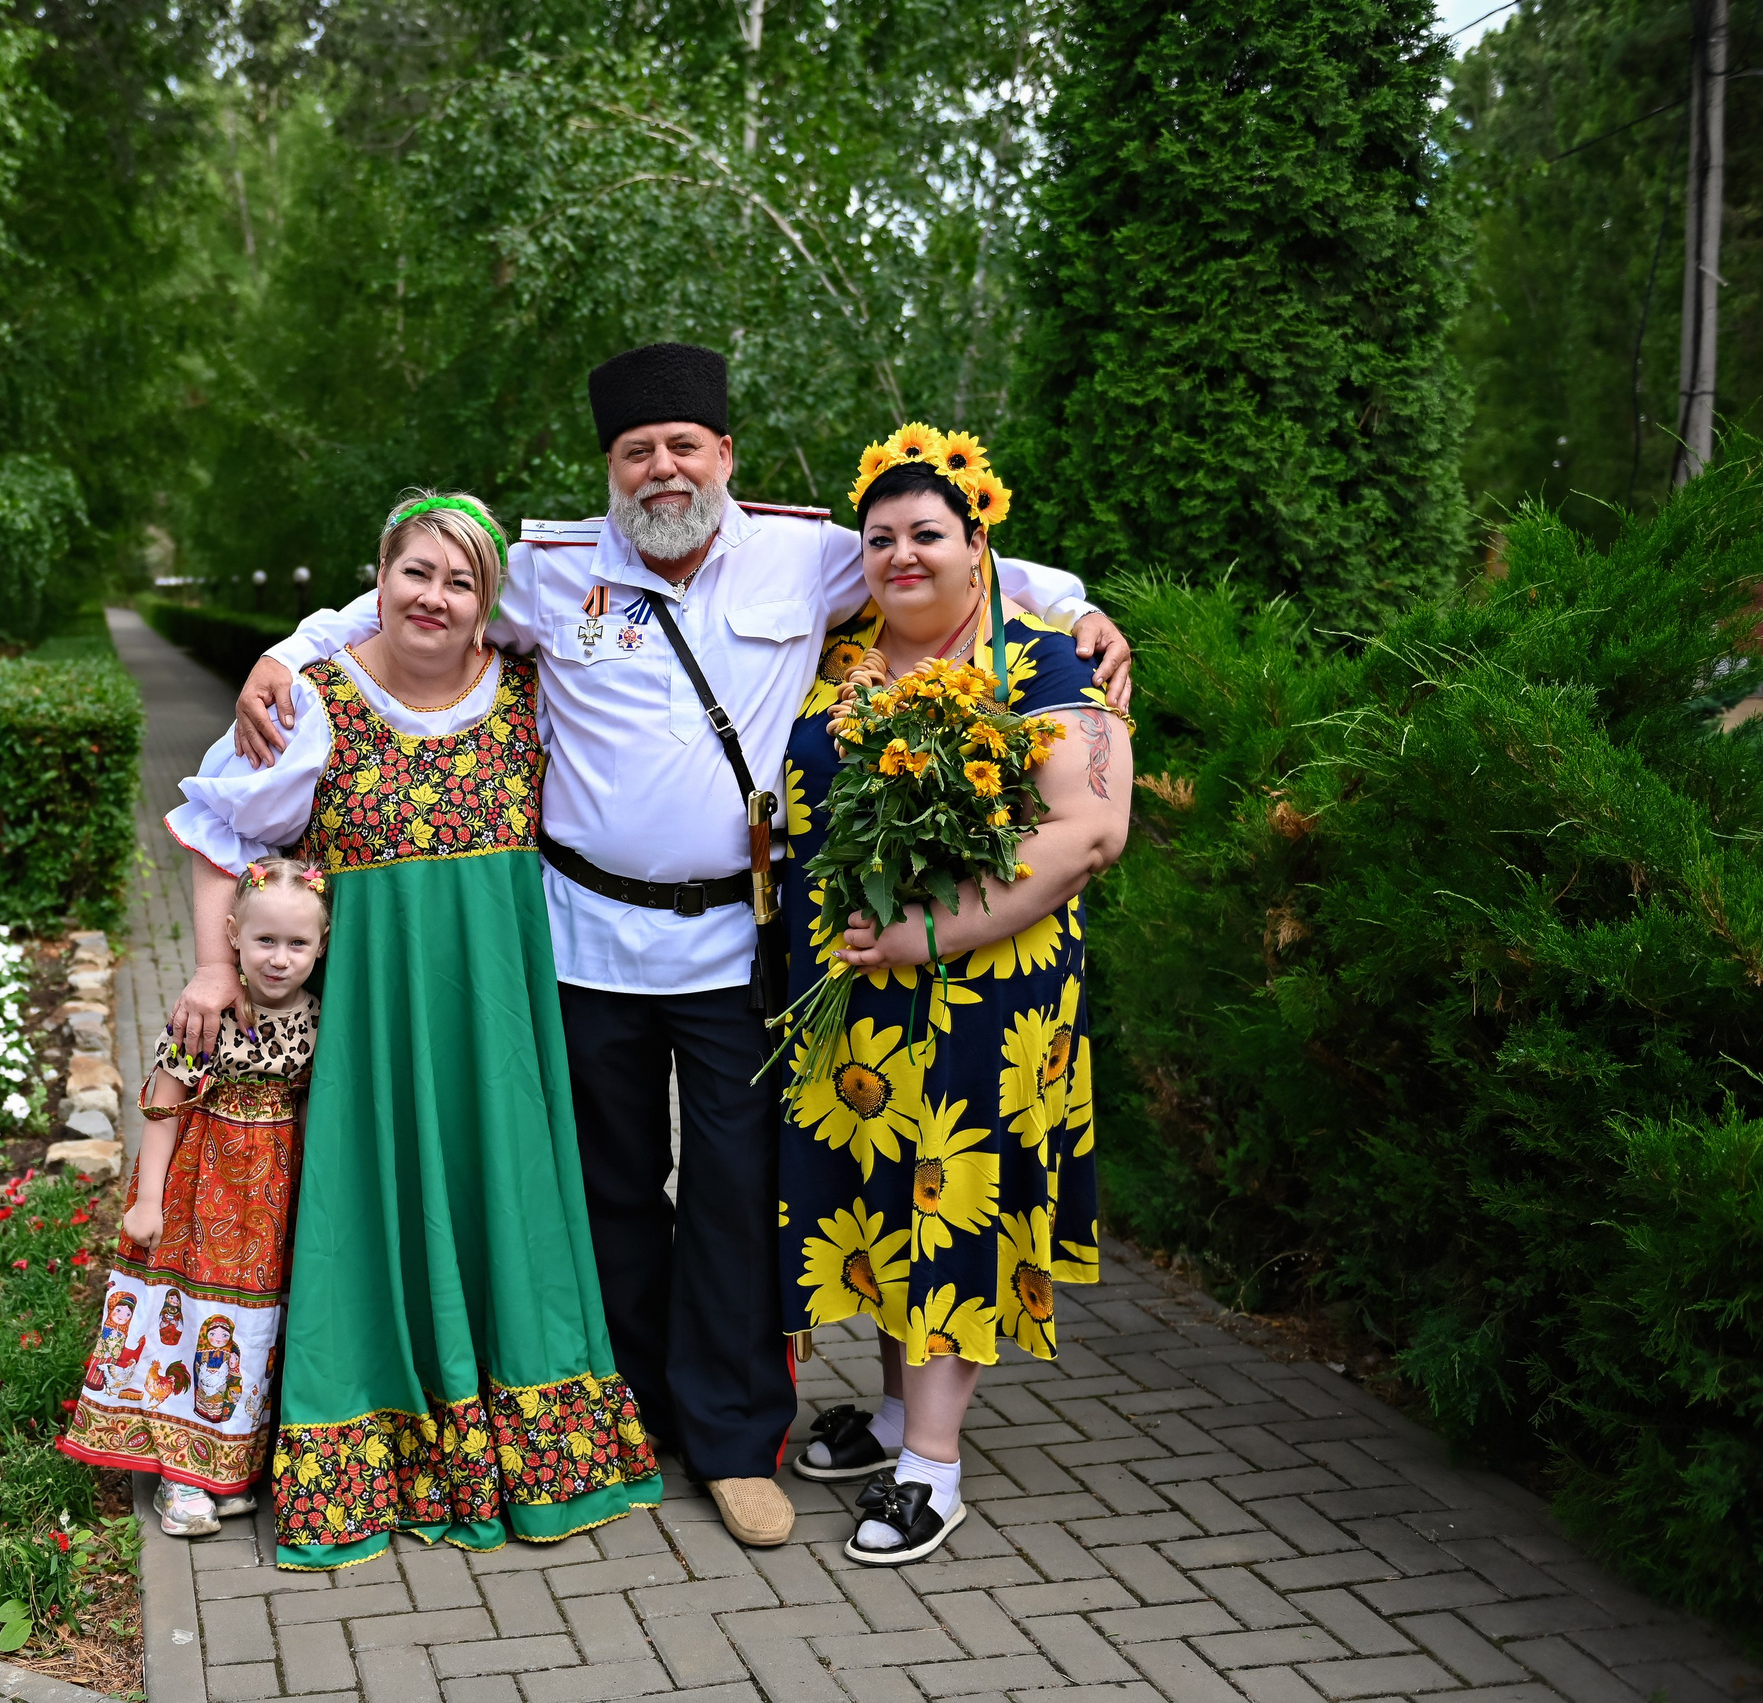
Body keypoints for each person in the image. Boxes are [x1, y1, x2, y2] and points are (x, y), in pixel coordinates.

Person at [223, 343, 1135, 1547]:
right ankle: (630, 1407)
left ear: (725, 458)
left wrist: (1077, 606)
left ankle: (732, 1437)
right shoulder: (549, 568)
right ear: (609, 467)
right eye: (634, 451)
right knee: (604, 1190)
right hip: (582, 937)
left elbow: (959, 552)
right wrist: (286, 652)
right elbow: (409, 585)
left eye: (681, 447)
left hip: (736, 939)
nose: (660, 469)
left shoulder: (804, 554)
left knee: (734, 1192)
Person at [163, 491, 663, 1571]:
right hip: (374, 1029)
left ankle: (524, 1432)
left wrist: (1065, 603)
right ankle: (368, 1438)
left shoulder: (532, 688)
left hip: (499, 1018)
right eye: (415, 573)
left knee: (509, 1204)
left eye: (461, 580)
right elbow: (215, 824)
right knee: (366, 1214)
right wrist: (212, 963)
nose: (434, 597)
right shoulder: (314, 702)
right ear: (377, 578)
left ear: (490, 601)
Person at [778, 428, 1131, 1566]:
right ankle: (889, 1416)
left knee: (951, 1201)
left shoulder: (1046, 661)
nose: (901, 555)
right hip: (855, 989)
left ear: (979, 543)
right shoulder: (835, 660)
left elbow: (1089, 830)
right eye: (879, 538)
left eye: (927, 533)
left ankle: (934, 1465)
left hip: (988, 991)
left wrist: (930, 931)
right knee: (878, 1194)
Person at [61, 857, 328, 1537]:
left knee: (253, 1327)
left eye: (298, 944)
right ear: (232, 934)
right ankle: (180, 1475)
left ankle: (230, 1465)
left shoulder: (320, 1015)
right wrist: (147, 1198)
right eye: (264, 940)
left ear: (322, 944)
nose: (279, 958)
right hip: (200, 1185)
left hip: (272, 1196)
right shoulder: (208, 1015)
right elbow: (163, 1102)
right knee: (191, 1316)